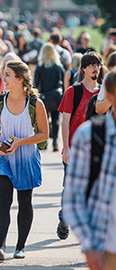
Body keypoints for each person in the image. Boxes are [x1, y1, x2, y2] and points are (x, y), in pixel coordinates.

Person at [0, 60, 49, 260]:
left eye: (7, 75)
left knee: (25, 201)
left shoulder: (35, 104)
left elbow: (44, 134)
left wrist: (21, 142)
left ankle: (20, 247)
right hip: (3, 157)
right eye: (4, 74)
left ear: (19, 79)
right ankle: (0, 247)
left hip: (26, 157)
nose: (3, 78)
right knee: (3, 200)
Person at [62, 71, 116, 270]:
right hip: (107, 250)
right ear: (110, 97)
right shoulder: (89, 136)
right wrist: (90, 247)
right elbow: (72, 199)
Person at [57, 51, 103, 240]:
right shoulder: (73, 91)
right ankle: (64, 218)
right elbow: (65, 121)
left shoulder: (104, 94)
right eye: (91, 65)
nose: (95, 68)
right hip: (74, 149)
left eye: (98, 65)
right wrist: (66, 147)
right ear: (83, 68)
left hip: (96, 151)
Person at [34, 43, 65, 152]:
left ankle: (45, 141)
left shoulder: (40, 67)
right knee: (56, 119)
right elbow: (62, 82)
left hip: (44, 97)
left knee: (44, 120)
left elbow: (36, 84)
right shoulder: (58, 67)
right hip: (56, 97)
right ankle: (55, 141)